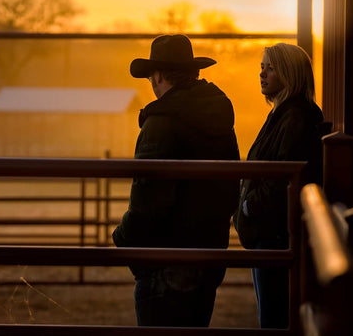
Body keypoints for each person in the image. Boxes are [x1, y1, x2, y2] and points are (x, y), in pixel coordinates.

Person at [112, 34, 240, 327]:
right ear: (193, 72)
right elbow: (231, 186)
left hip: (166, 260)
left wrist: (122, 236)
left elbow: (148, 199)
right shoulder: (218, 118)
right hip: (208, 256)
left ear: (157, 76)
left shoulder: (162, 122)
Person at [233, 43, 324, 328]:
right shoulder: (284, 113)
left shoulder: (295, 117)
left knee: (274, 319)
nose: (262, 74)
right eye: (262, 67)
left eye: (270, 68)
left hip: (274, 234)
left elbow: (284, 176)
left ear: (289, 73)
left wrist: (248, 206)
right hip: (270, 233)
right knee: (272, 316)